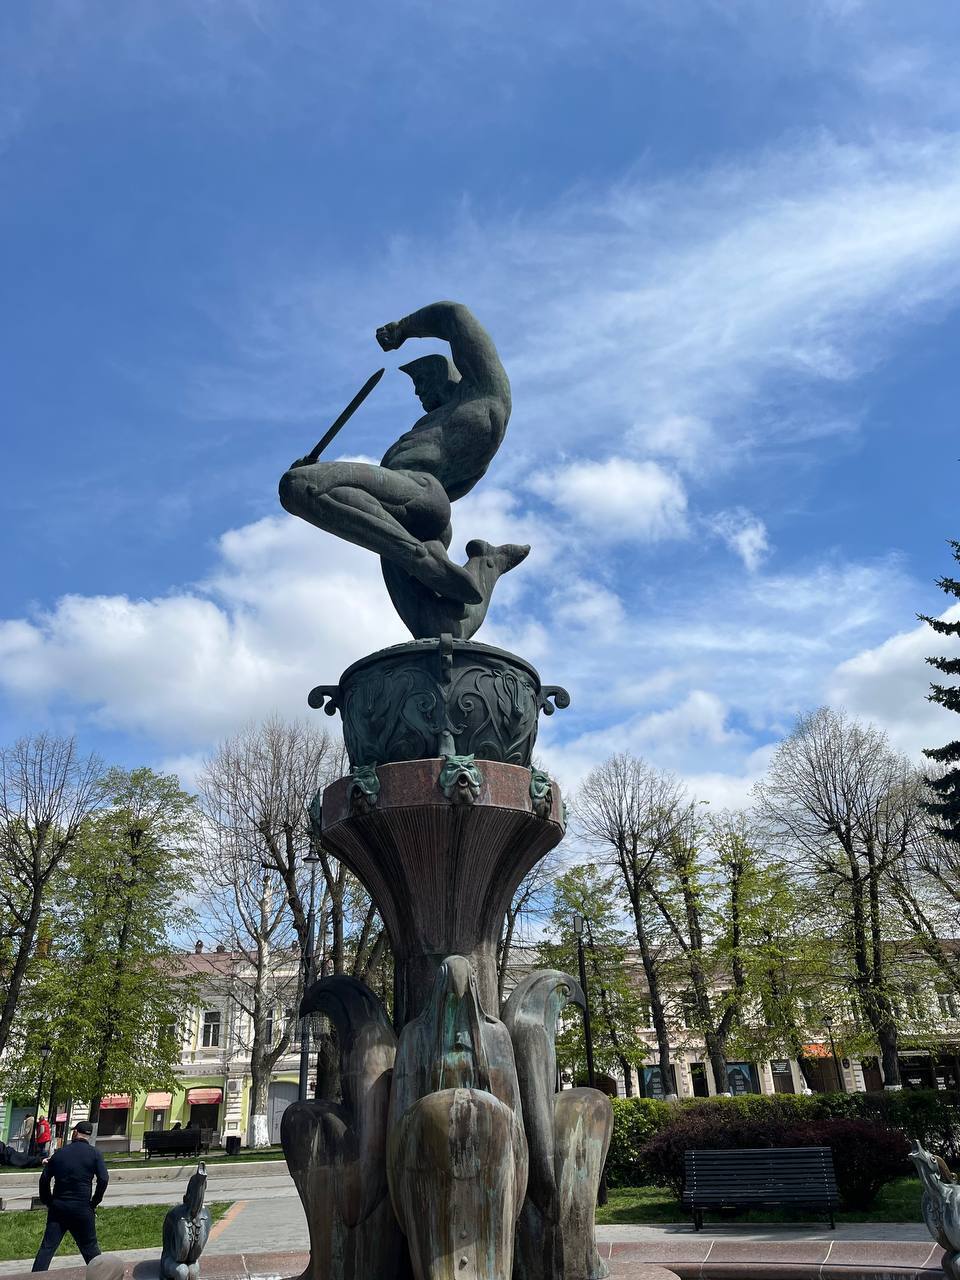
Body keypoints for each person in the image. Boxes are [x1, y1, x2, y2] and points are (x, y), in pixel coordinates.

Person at [278, 301, 527, 637]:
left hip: (422, 494)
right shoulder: (433, 424)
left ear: (445, 375)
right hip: (408, 518)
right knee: (438, 628)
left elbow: (455, 316)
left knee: (298, 485)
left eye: (422, 382)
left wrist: (402, 329)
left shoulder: (482, 397)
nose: (419, 391)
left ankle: (420, 558)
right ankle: (486, 564)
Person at [32, 1120, 109, 1272]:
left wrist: (48, 1201)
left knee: (47, 1248)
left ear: (75, 1133)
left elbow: (44, 1179)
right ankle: (102, 1276)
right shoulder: (95, 1154)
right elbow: (104, 1179)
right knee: (90, 1249)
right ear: (89, 1135)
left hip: (59, 1208)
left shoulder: (60, 1153)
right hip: (82, 1208)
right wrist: (94, 1202)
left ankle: (35, 1277)